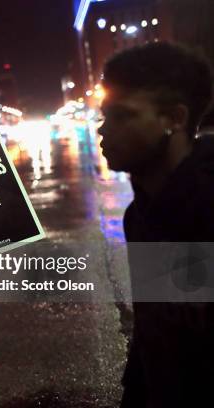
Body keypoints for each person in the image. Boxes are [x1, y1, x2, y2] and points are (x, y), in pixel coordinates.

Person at [98, 42, 214, 407]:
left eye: (122, 116)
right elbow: (156, 331)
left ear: (175, 119)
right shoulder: (142, 214)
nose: (103, 130)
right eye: (105, 115)